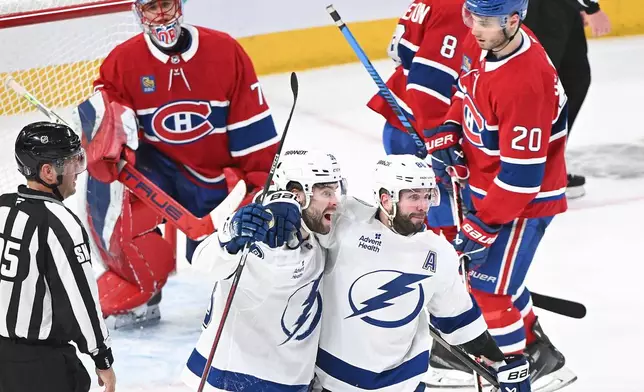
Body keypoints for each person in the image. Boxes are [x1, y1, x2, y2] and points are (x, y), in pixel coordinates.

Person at [72, 0, 279, 328]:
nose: (160, 15)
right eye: (151, 6)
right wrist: (105, 144)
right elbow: (103, 112)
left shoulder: (224, 52)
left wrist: (257, 190)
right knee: (110, 191)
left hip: (212, 177)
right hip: (157, 173)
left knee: (236, 240)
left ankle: (246, 278)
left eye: (166, 3)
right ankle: (137, 283)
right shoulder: (122, 63)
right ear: (138, 12)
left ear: (180, 4)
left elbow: (254, 139)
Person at [422, 0, 571, 385]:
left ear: (514, 20)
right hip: (490, 189)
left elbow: (522, 177)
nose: (474, 28)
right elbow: (466, 89)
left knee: (488, 291)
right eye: (472, 17)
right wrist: (451, 128)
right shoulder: (494, 43)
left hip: (521, 204)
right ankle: (537, 352)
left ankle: (515, 373)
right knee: (498, 282)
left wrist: (484, 223)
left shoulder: (525, 82)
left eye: (485, 21)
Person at [314, 154, 531, 392]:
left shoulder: (437, 253)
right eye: (413, 196)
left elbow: (459, 319)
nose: (422, 205)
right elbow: (304, 211)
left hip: (402, 385)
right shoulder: (346, 222)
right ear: (386, 199)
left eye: (427, 196)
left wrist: (499, 362)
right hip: (333, 382)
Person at [182, 149, 345, 391]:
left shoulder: (315, 228)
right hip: (231, 381)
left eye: (335, 190)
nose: (335, 200)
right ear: (297, 194)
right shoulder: (260, 233)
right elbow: (204, 263)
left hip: (290, 381)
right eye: (325, 192)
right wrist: (231, 235)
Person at [0, 121, 115, 392]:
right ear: (48, 172)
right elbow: (82, 300)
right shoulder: (61, 223)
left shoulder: (2, 206)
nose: (76, 170)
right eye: (69, 163)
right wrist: (102, 357)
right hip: (41, 368)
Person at [367, 0, 471, 243]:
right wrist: (435, 133)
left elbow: (400, 52)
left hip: (402, 119)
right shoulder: (458, 8)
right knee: (434, 203)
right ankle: (444, 260)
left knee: (413, 206)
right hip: (423, 124)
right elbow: (431, 80)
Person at [523, 0, 612, 198]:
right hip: (542, 11)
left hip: (556, 9)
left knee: (571, 81)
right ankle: (533, 170)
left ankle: (546, 166)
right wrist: (591, 7)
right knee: (549, 85)